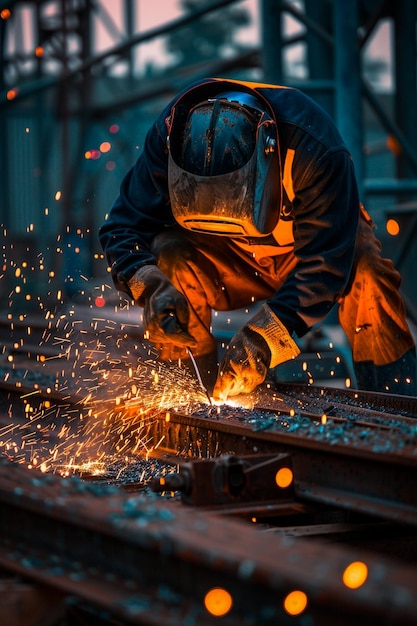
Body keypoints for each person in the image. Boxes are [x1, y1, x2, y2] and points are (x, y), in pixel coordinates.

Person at [99, 77, 416, 401]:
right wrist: (151, 287)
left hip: (300, 254)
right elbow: (121, 228)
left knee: (366, 271)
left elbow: (326, 263)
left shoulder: (314, 148)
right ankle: (187, 396)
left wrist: (265, 338)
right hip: (221, 261)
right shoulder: (169, 137)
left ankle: (396, 404)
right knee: (171, 260)